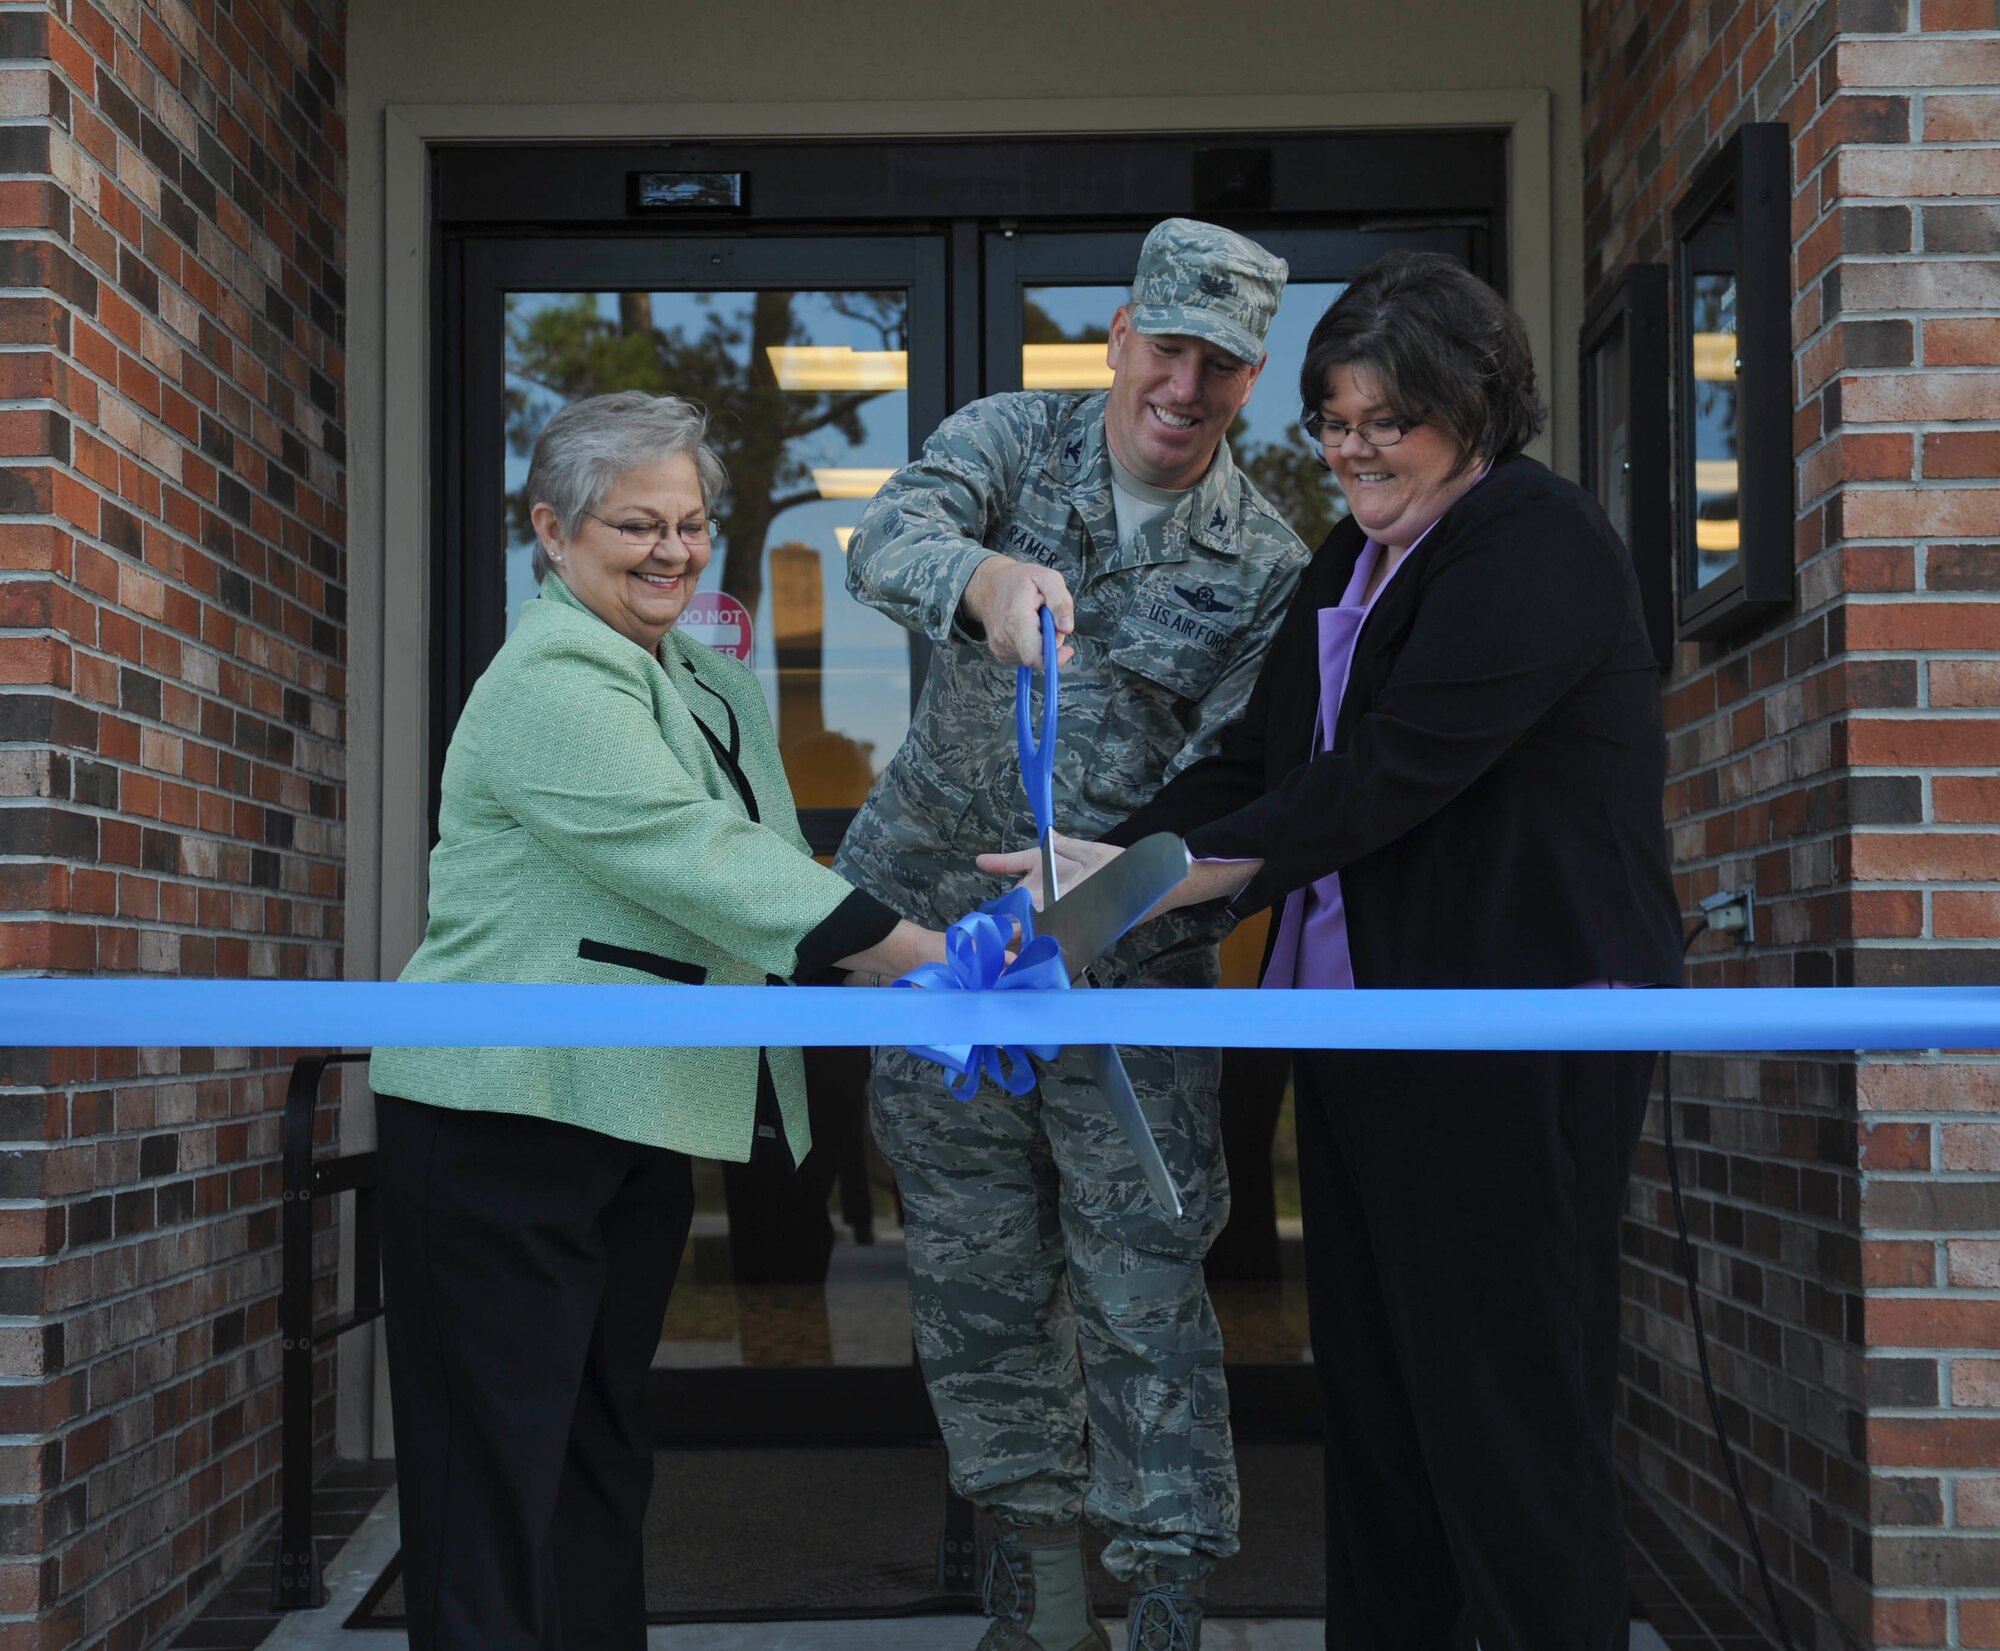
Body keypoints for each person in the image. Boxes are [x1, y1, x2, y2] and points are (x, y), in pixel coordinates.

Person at [987, 251, 1684, 1651]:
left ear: (1475, 409)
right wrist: (1101, 862)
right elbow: (1261, 760)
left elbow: (1383, 779)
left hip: (1511, 1036)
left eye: (1388, 421)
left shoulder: (1533, 543)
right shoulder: (1351, 556)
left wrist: (1145, 886)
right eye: (1332, 421)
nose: (1354, 449)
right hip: (1362, 1035)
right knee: (1377, 1406)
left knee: (1506, 1413)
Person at [369, 391, 945, 1651]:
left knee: (597, 1459)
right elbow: (695, 859)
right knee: (491, 1487)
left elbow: (769, 864)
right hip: (498, 1121)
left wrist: (909, 955)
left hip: (628, 1115)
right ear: (551, 530)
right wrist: (923, 957)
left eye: (689, 524)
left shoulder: (703, 679)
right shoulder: (548, 677)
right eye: (637, 525)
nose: (672, 551)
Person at [834, 219, 1310, 1651]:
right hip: (940, 952)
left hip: (1125, 971)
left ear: (1253, 376)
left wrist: (1117, 885)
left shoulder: (1266, 562)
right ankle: (1038, 1594)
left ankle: (1163, 1595)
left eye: (1220, 364)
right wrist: (980, 581)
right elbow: (888, 536)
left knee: (1143, 1275)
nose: (1185, 386)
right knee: (974, 1273)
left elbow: (1241, 789)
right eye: (1166, 348)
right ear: (1117, 335)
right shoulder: (1011, 442)